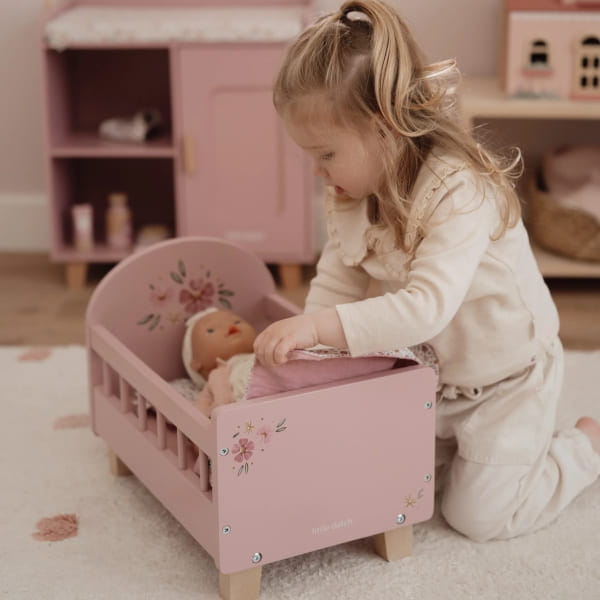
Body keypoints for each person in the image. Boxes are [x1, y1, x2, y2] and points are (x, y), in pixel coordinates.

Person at [253, 0, 600, 542]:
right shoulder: (352, 191)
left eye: (325, 154)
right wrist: (311, 360)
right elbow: (339, 280)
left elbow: (425, 309)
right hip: (438, 381)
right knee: (385, 477)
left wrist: (320, 327)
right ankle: (481, 453)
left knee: (477, 516)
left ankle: (582, 447)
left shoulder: (458, 191)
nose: (316, 170)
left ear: (383, 129)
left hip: (507, 380)